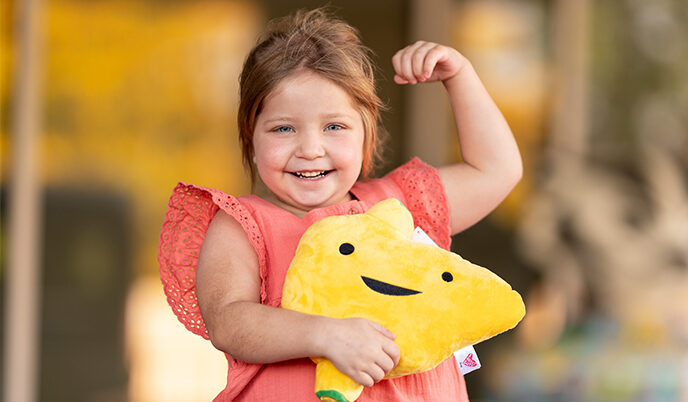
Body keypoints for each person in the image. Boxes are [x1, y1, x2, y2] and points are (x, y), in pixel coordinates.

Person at [158, 8, 522, 401]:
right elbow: (229, 322)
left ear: (367, 131)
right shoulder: (244, 226)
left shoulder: (400, 206)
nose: (311, 150)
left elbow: (496, 170)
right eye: (283, 128)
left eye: (334, 126)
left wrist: (459, 77)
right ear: (251, 135)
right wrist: (325, 335)